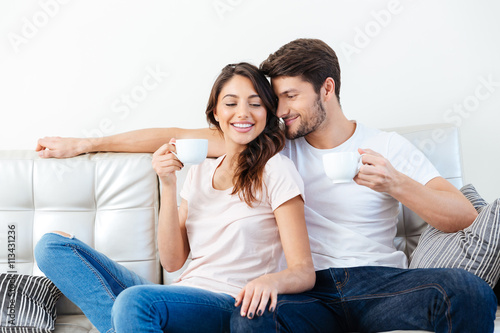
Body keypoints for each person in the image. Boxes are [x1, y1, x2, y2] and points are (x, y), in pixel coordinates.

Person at [36, 39, 497, 332]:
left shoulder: (387, 147)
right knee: (247, 318)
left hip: (376, 282)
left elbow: (462, 216)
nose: (281, 111)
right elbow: (173, 136)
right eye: (274, 101)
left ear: (328, 89)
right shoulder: (272, 144)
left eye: (290, 97)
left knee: (469, 291)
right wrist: (86, 143)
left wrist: (396, 184)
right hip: (305, 292)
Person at [34, 62, 315, 332]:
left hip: (229, 304)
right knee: (52, 246)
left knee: (133, 304)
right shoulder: (200, 171)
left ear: (267, 112)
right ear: (215, 113)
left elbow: (303, 271)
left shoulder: (276, 169)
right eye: (231, 103)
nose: (243, 113)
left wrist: (269, 282)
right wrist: (167, 185)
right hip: (182, 296)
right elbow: (172, 262)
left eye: (255, 104)